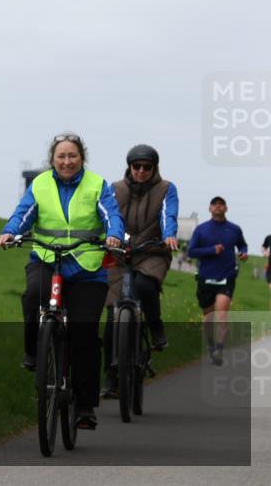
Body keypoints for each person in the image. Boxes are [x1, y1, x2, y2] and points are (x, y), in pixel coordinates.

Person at [0, 133, 124, 430]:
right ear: (52, 160)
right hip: (46, 258)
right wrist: (9, 231)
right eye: (61, 156)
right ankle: (33, 351)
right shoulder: (40, 184)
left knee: (84, 333)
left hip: (86, 267)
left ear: (82, 158)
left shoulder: (97, 185)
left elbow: (111, 215)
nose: (67, 161)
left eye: (73, 156)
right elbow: (23, 214)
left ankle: (85, 406)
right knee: (32, 296)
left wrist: (114, 234)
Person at [100, 145, 179, 398]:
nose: (142, 171)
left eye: (147, 167)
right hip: (120, 254)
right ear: (129, 167)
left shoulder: (166, 188)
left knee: (145, 286)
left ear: (155, 168)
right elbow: (106, 216)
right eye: (137, 167)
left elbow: (169, 215)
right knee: (113, 316)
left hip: (152, 252)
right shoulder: (115, 189)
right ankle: (111, 377)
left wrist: (168, 236)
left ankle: (156, 329)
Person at [186, 197, 248, 366]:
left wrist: (243, 253)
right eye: (215, 203)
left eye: (221, 204)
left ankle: (219, 349)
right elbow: (191, 251)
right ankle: (211, 345)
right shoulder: (201, 229)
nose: (218, 206)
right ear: (209, 208)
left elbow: (242, 246)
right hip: (206, 276)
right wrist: (212, 250)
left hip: (226, 277)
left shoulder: (234, 229)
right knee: (208, 316)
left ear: (226, 208)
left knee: (221, 314)